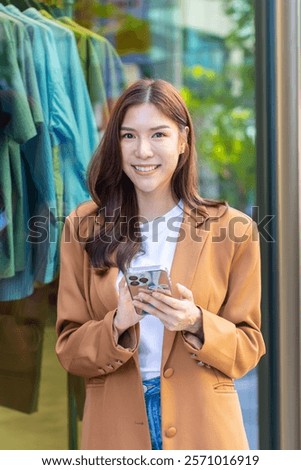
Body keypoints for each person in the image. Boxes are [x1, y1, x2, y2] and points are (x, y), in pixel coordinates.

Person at [56, 78, 266, 450]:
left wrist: (195, 321)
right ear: (115, 143)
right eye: (128, 136)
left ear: (183, 141)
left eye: (158, 135)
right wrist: (118, 322)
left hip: (204, 428)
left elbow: (247, 348)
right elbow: (70, 349)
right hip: (114, 431)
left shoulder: (233, 230)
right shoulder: (83, 227)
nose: (142, 151)